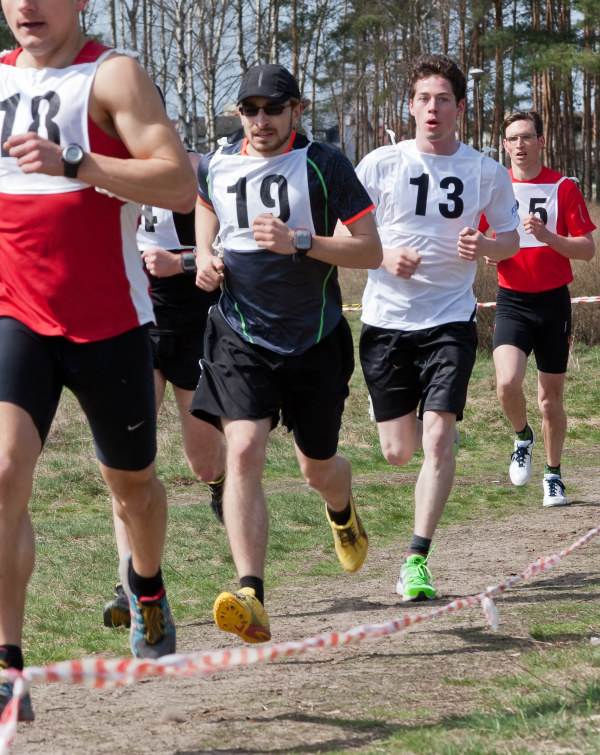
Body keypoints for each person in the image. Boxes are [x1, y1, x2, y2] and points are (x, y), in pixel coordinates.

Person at [0, 0, 197, 718]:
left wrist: (78, 162)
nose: (26, 3)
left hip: (109, 323)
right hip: (16, 315)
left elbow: (178, 183)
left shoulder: (112, 76)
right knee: (3, 474)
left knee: (134, 491)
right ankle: (8, 665)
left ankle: (146, 586)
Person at [192, 63, 381, 644]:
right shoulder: (216, 162)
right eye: (250, 110)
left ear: (297, 110)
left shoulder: (325, 164)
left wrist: (300, 241)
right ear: (238, 113)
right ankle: (251, 594)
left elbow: (370, 251)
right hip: (240, 334)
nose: (261, 120)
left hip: (315, 337)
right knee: (243, 448)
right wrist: (205, 254)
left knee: (317, 468)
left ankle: (342, 510)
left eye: (273, 108)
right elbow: (205, 203)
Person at [354, 54, 519, 603]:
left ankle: (416, 558)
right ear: (410, 107)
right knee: (398, 452)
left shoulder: (485, 171)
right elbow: (344, 234)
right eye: (424, 99)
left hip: (450, 319)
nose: (433, 108)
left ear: (460, 108)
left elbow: (511, 240)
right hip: (386, 322)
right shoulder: (380, 164)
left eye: (443, 99)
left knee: (439, 436)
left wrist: (488, 245)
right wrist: (382, 256)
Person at [103, 147, 226, 630]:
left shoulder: (201, 169)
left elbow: (233, 249)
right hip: (135, 326)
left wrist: (182, 261)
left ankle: (220, 486)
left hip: (194, 326)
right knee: (126, 461)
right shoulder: (108, 173)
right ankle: (129, 583)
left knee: (203, 462)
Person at [480, 110, 595, 506]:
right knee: (506, 383)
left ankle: (553, 475)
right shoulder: (496, 188)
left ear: (541, 141)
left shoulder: (563, 187)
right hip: (512, 300)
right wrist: (489, 251)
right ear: (505, 145)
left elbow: (587, 249)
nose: (520, 145)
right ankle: (522, 436)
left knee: (550, 400)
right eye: (512, 138)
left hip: (552, 302)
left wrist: (549, 237)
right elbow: (479, 237)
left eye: (527, 136)